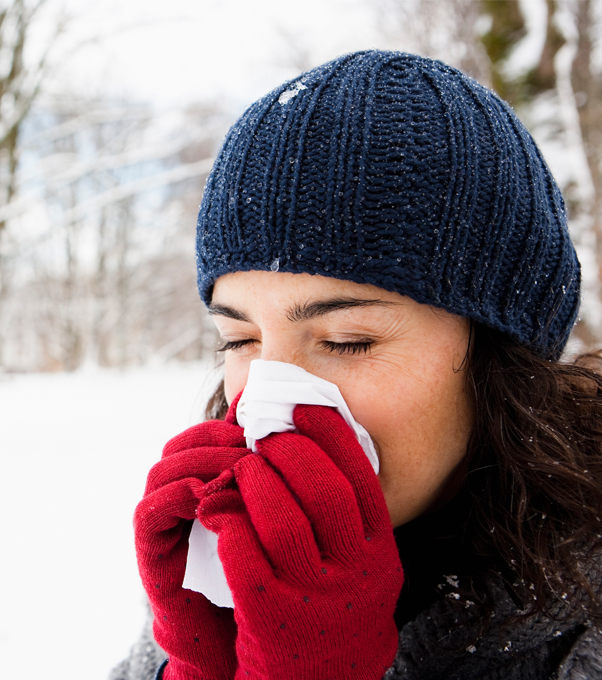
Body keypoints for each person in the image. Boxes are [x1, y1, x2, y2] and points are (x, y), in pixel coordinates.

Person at [110, 50, 602, 680]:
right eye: (239, 340)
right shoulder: (232, 573)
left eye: (346, 340)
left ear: (501, 360)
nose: (267, 403)